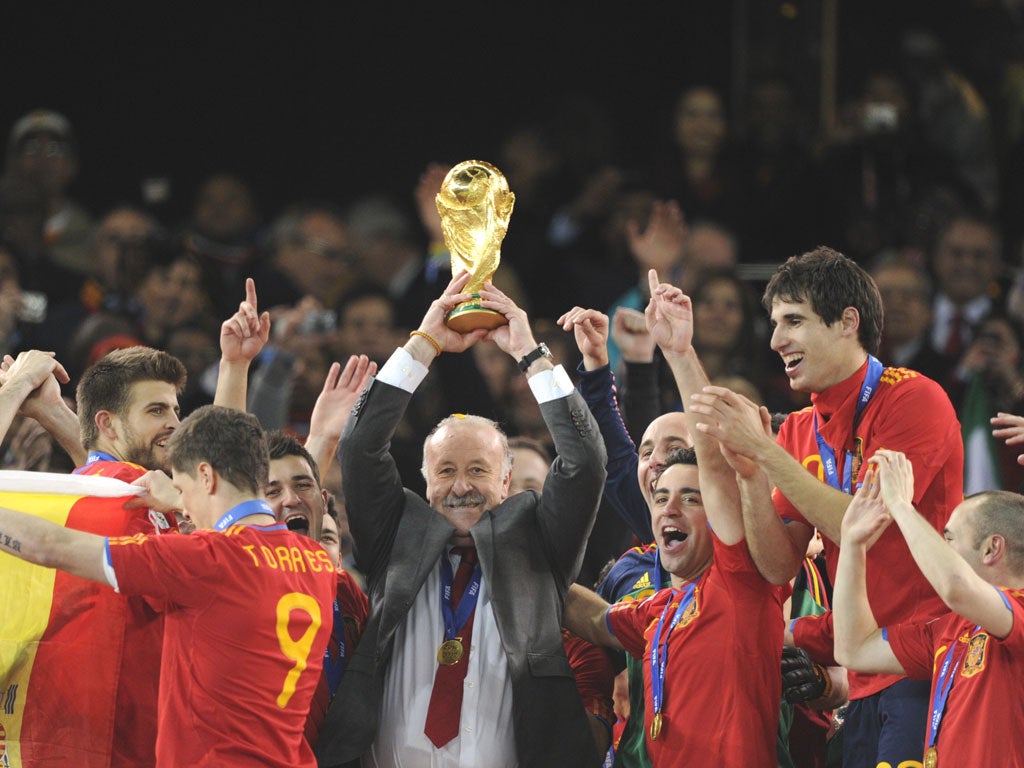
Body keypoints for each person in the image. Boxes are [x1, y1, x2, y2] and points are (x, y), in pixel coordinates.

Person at [316, 271, 608, 767]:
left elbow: (585, 461)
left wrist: (530, 355)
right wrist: (424, 344)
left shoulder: (539, 540)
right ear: (426, 480)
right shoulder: (397, 533)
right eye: (446, 470)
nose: (461, 486)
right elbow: (360, 448)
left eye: (478, 470)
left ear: (507, 479)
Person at [688, 246, 964, 768]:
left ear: (847, 323)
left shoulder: (913, 399)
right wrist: (750, 475)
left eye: (794, 321)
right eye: (773, 324)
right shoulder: (797, 430)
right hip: (860, 672)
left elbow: (864, 524)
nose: (776, 341)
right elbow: (778, 565)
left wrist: (764, 451)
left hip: (926, 664)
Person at [0, 405, 336, 766]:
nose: (186, 509)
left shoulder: (205, 561)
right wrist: (178, 499)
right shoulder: (318, 562)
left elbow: (52, 547)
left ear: (206, 476)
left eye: (182, 486)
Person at [562, 446, 786, 766]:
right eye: (661, 498)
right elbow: (597, 618)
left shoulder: (741, 586)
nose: (670, 509)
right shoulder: (661, 611)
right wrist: (525, 559)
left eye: (691, 498)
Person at [834, 450, 1024, 767]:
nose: (938, 548)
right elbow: (854, 649)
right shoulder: (950, 629)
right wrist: (853, 544)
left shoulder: (1019, 608)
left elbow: (955, 586)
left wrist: (900, 506)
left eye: (948, 539)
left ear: (992, 548)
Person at [264, 430, 369, 748]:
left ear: (322, 502)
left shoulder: (347, 594)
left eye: (302, 485)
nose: (292, 498)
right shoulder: (236, 586)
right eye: (272, 490)